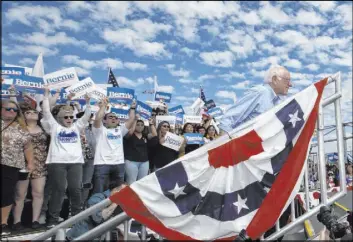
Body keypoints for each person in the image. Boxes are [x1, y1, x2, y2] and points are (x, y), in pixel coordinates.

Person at [40, 87, 92, 227]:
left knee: (75, 189)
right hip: (57, 163)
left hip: (75, 163)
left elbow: (87, 115)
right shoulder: (54, 127)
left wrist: (88, 103)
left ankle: (76, 218)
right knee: (59, 190)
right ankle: (53, 219)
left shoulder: (77, 127)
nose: (69, 119)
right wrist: (46, 95)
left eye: (71, 117)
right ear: (60, 118)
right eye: (66, 117)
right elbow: (45, 112)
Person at [219, 65, 292, 133]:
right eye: (287, 80)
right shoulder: (260, 92)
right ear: (274, 79)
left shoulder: (278, 101)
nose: (290, 84)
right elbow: (227, 121)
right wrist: (228, 145)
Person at [12, 103, 49, 231]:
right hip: (23, 164)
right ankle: (16, 222)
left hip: (40, 164)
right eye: (28, 112)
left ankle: (35, 220)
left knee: (38, 193)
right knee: (20, 194)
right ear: (23, 115)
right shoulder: (20, 128)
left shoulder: (44, 127)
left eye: (34, 112)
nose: (32, 113)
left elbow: (48, 109)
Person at [1, 99, 35, 236]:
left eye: (14, 110)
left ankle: (2, 223)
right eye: (8, 108)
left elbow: (28, 146)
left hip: (12, 165)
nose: (11, 111)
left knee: (6, 194)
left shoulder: (21, 128)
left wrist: (30, 162)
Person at [92, 98, 136, 193]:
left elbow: (131, 119)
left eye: (115, 118)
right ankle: (99, 208)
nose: (113, 119)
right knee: (100, 191)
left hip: (118, 164)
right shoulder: (99, 130)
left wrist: (132, 108)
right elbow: (98, 118)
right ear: (104, 121)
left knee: (118, 193)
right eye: (110, 117)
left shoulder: (121, 130)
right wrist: (103, 106)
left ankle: (114, 208)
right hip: (102, 164)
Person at [124, 115, 156, 185]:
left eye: (142, 125)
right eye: (138, 125)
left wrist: (151, 124)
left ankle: (139, 196)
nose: (140, 126)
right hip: (131, 162)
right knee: (131, 182)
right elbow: (130, 132)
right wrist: (135, 119)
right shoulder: (129, 135)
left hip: (144, 162)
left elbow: (154, 135)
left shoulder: (145, 135)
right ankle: (130, 196)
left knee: (142, 183)